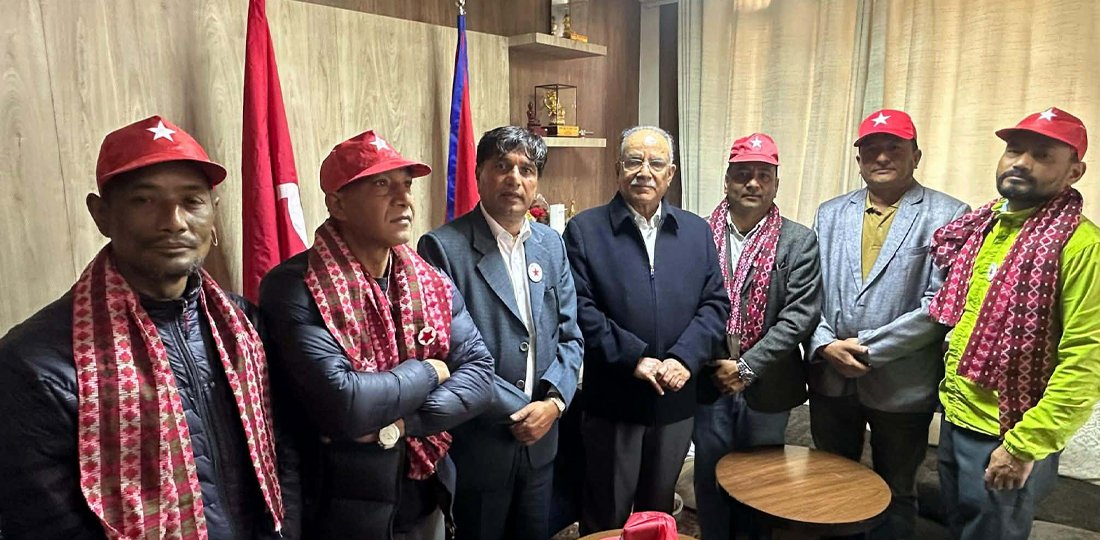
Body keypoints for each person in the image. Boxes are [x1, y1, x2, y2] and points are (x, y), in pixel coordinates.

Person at [0, 116, 299, 539]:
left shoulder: (245, 325)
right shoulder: (35, 363)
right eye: (144, 200)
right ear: (101, 214)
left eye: (192, 200)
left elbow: (283, 450)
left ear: (214, 212)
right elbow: (44, 523)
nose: (174, 221)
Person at [259, 130, 494, 540]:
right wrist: (432, 371)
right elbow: (347, 404)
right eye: (382, 185)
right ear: (338, 204)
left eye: (406, 185)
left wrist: (401, 425)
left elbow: (480, 373)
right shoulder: (296, 287)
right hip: (343, 511)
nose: (404, 200)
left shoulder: (429, 281)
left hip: (428, 495)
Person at [931, 107, 1100, 540]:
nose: (1021, 162)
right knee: (957, 528)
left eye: (1042, 155)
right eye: (1014, 150)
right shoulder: (985, 226)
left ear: (1075, 172)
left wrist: (1023, 447)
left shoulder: (1082, 246)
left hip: (1008, 435)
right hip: (957, 416)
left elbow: (1086, 361)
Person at [808, 109, 968, 539]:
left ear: (916, 155)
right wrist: (825, 345)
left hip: (903, 382)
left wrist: (868, 350)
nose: (881, 157)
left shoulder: (950, 214)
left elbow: (941, 304)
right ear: (859, 159)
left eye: (894, 147)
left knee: (896, 490)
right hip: (830, 376)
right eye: (871, 149)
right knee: (830, 481)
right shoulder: (830, 213)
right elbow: (808, 292)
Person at [418, 126, 584, 540]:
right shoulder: (442, 248)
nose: (514, 178)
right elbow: (450, 356)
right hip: (481, 444)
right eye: (502, 166)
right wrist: (524, 411)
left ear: (537, 182)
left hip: (541, 444)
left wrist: (554, 405)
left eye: (527, 170)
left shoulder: (551, 244)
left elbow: (571, 335)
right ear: (479, 174)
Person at [563, 126, 729, 534]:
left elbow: (715, 304)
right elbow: (580, 307)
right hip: (614, 400)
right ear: (618, 169)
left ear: (670, 174)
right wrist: (634, 357)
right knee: (606, 513)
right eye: (634, 161)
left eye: (656, 163)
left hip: (674, 399)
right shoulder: (585, 230)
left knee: (657, 515)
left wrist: (684, 358)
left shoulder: (696, 231)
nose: (644, 172)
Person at [695, 133, 821, 540]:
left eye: (763, 175)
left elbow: (799, 316)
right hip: (710, 378)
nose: (752, 183)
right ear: (726, 180)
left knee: (761, 481)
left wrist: (747, 367)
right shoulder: (698, 235)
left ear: (776, 184)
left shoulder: (798, 241)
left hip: (768, 382)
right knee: (711, 472)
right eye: (742, 174)